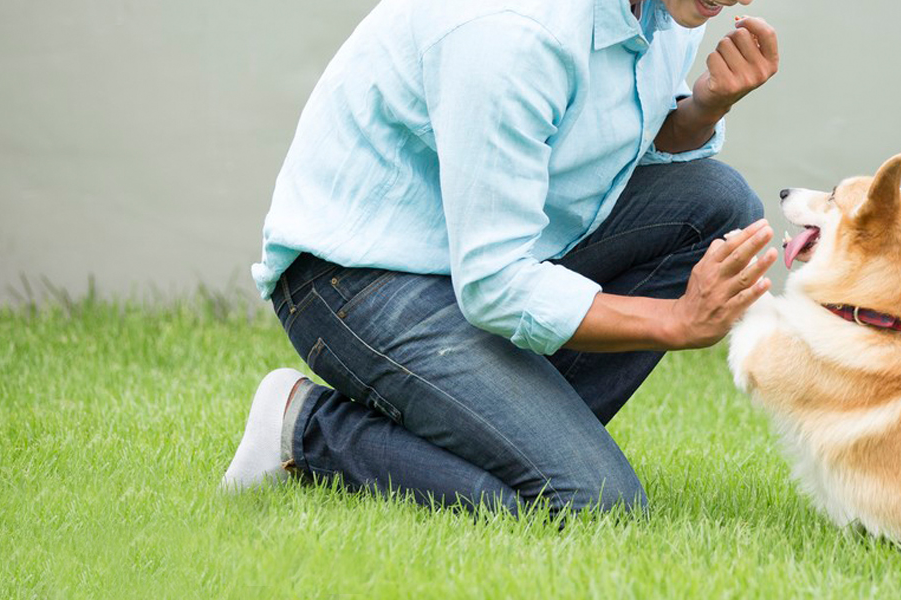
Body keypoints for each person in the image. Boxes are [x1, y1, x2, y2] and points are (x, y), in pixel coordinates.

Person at [220, 0, 780, 515]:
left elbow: (600, 146)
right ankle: (307, 429)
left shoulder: (665, 9)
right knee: (595, 502)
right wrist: (675, 320)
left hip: (487, 252)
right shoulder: (513, 30)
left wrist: (703, 108)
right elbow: (495, 284)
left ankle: (498, 429)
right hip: (359, 278)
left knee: (717, 205)